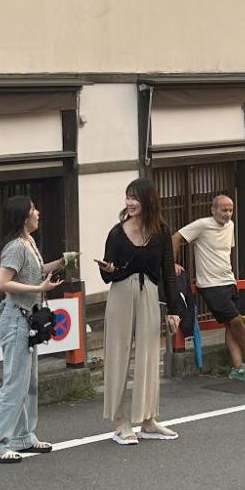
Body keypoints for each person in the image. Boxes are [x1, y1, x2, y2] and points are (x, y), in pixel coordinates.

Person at [0, 195, 71, 463]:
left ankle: (22, 437)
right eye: (33, 210)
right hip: (15, 320)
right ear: (23, 217)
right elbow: (2, 283)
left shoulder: (27, 243)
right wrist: (39, 289)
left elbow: (36, 271)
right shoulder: (16, 246)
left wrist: (61, 263)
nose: (38, 213)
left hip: (24, 320)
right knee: (14, 384)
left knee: (28, 382)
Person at [98, 178, 183, 445]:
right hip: (121, 293)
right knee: (118, 354)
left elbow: (168, 272)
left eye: (134, 198)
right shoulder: (116, 232)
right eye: (127, 197)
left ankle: (148, 419)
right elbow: (107, 275)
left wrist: (174, 309)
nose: (129, 203)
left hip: (149, 294)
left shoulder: (161, 231)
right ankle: (120, 421)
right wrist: (108, 270)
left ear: (148, 201)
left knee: (148, 356)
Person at [174, 193, 245, 384]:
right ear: (213, 210)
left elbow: (227, 252)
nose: (227, 214)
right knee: (235, 321)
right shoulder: (202, 225)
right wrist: (173, 264)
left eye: (230, 210)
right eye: (223, 209)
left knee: (230, 325)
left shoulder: (231, 226)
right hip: (210, 284)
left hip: (228, 280)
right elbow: (176, 237)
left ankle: (238, 368)